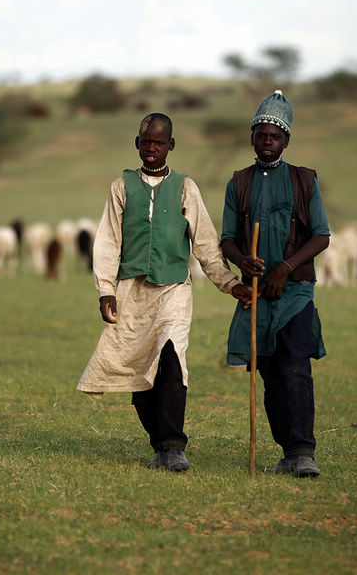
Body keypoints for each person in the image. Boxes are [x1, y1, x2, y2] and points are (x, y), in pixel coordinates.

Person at [78, 113, 253, 472]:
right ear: (137, 144)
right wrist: (105, 290)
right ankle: (159, 445)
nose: (152, 148)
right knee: (140, 371)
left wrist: (229, 283)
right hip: (131, 292)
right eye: (146, 141)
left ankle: (174, 447)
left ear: (171, 145)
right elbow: (109, 241)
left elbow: (205, 243)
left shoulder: (186, 187)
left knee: (171, 361)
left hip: (174, 289)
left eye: (159, 142)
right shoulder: (121, 187)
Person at [220, 90, 331, 477]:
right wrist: (241, 260)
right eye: (261, 134)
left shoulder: (304, 180)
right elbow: (227, 240)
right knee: (269, 372)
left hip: (295, 291)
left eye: (275, 136)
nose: (267, 142)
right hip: (258, 295)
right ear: (252, 137)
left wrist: (285, 267)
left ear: (286, 140)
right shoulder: (239, 183)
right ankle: (286, 453)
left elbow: (321, 236)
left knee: (295, 367)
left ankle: (303, 452)